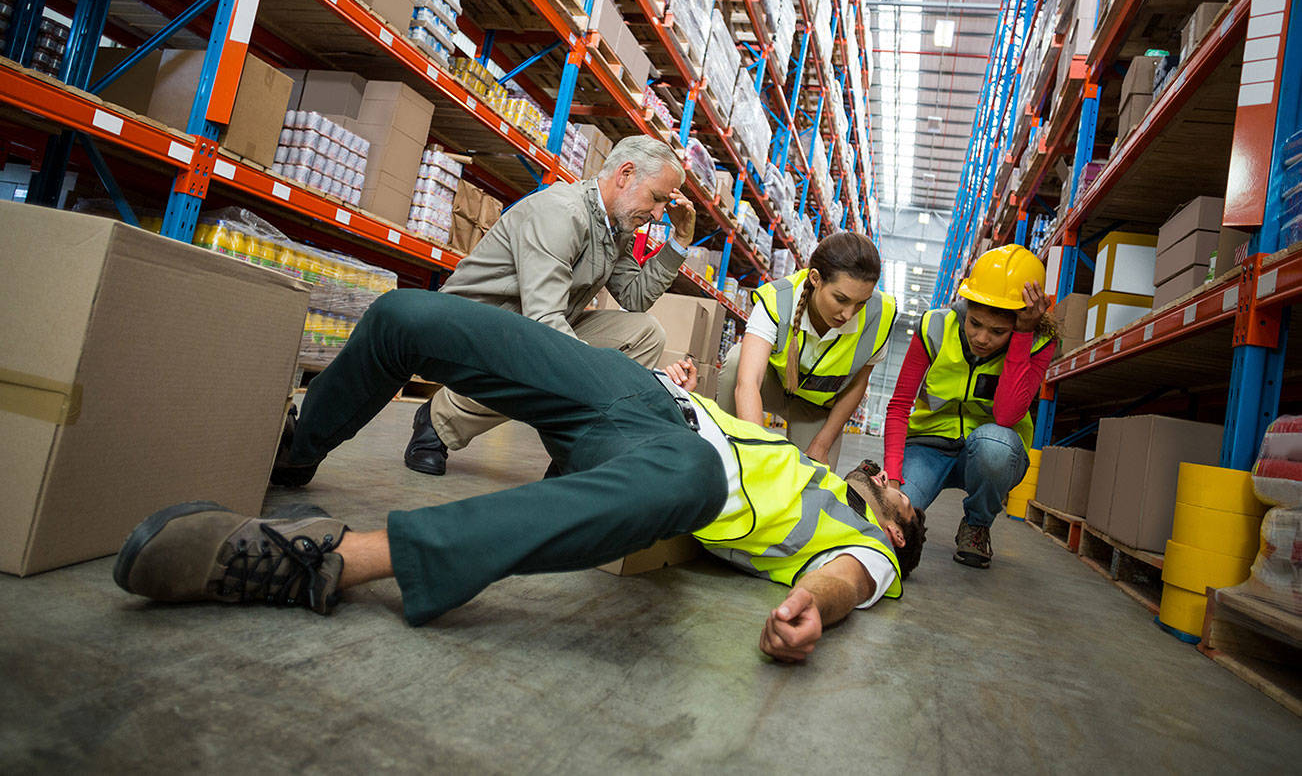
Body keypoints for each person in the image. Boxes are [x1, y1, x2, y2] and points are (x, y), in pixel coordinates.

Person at [114, 290, 925, 662]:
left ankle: (322, 562)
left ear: (897, 528)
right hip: (642, 399)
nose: (893, 480)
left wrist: (809, 611)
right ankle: (292, 456)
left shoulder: (863, 543)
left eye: (903, 498)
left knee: (690, 478)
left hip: (672, 466)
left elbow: (848, 581)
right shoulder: (806, 461)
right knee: (408, 317)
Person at [391, 134, 697, 479]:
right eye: (656, 199)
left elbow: (634, 298)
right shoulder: (562, 213)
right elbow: (544, 321)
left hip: (529, 326)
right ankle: (439, 419)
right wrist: (604, 376)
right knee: (555, 360)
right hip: (473, 327)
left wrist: (679, 242)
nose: (659, 215)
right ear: (624, 174)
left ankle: (581, 448)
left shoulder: (615, 229)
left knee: (644, 333)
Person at [881, 244, 1057, 569]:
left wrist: (1021, 337)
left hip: (992, 452)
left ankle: (977, 525)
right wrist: (892, 480)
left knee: (995, 446)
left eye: (997, 331)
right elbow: (899, 405)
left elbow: (1007, 415)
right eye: (975, 323)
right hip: (928, 447)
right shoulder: (934, 327)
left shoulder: (1037, 344)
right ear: (966, 305)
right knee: (891, 523)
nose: (982, 338)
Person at [717, 231, 896, 469]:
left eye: (860, 303)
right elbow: (748, 381)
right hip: (774, 387)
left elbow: (857, 385)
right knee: (737, 360)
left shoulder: (879, 316)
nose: (848, 314)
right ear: (815, 278)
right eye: (841, 299)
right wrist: (756, 452)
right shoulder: (778, 299)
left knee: (813, 482)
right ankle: (727, 451)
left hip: (817, 409)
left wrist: (822, 444)